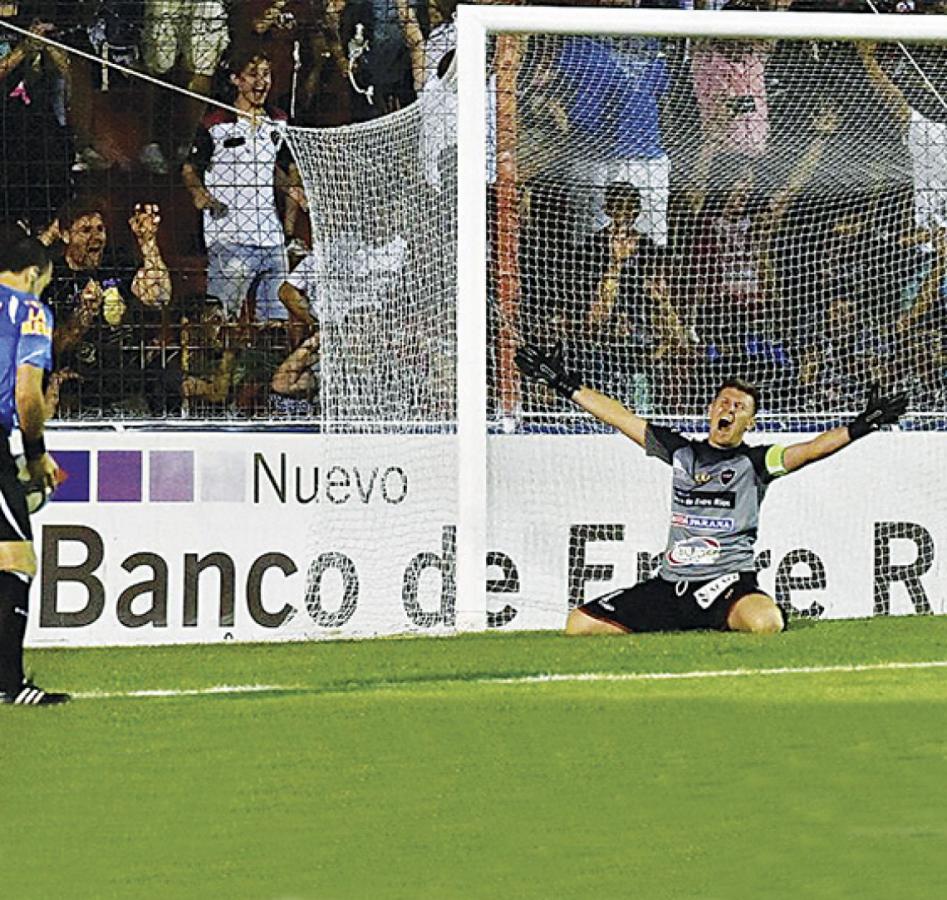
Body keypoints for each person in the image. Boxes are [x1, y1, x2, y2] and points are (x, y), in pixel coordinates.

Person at [514, 342, 907, 636]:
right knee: (577, 625)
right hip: (671, 586)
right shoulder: (680, 451)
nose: (729, 410)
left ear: (749, 423)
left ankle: (743, 610)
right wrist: (563, 383)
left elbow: (809, 451)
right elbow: (620, 417)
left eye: (739, 407)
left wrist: (861, 426)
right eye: (723, 402)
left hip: (726, 584)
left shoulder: (755, 463)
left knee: (765, 624)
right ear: (711, 409)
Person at [182, 46, 307, 323]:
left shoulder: (279, 121)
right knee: (222, 324)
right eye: (253, 75)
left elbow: (273, 168)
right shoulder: (215, 122)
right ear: (236, 79)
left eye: (266, 74)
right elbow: (190, 168)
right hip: (230, 240)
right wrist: (199, 194)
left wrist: (290, 190)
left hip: (272, 241)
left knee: (275, 327)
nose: (261, 83)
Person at [0, 226, 68, 705]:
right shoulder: (29, 312)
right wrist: (37, 453)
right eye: (42, 283)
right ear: (30, 275)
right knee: (17, 560)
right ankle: (9, 684)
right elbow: (27, 394)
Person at [45, 197, 174, 417]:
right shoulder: (51, 276)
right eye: (85, 230)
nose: (95, 237)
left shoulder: (117, 261)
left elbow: (158, 296)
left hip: (125, 385)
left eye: (100, 229)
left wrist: (148, 243)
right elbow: (54, 346)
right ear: (66, 235)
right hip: (74, 392)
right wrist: (83, 315)